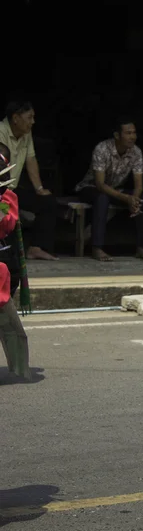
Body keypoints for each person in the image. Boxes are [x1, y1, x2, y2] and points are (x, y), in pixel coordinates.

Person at [76, 117, 143, 262]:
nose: (132, 137)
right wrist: (126, 199)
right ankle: (97, 248)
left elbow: (139, 185)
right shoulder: (102, 149)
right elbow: (100, 184)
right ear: (117, 135)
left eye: (134, 133)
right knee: (102, 199)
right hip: (91, 187)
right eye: (128, 133)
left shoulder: (136, 152)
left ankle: (142, 247)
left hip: (116, 189)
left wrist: (134, 199)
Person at [0, 100, 58, 261]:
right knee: (6, 216)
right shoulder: (1, 131)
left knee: (47, 202)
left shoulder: (26, 133)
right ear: (16, 118)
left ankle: (36, 248)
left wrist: (39, 188)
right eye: (29, 117)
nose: (33, 122)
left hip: (13, 189)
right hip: (1, 190)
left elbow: (30, 159)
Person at [0, 148, 30, 381]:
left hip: (5, 266)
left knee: (9, 326)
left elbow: (7, 224)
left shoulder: (7, 198)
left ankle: (18, 368)